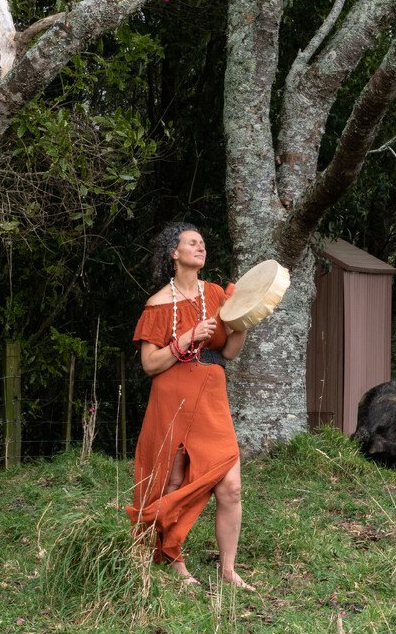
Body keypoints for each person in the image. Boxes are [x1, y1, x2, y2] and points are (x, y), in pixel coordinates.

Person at [126, 222, 254, 590]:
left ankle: (228, 571)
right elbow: (149, 364)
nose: (201, 247)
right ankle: (173, 559)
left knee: (230, 487)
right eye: (192, 243)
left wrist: (244, 321)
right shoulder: (157, 304)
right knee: (174, 480)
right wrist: (186, 338)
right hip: (174, 397)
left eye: (203, 243)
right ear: (174, 253)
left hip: (212, 396)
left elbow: (229, 351)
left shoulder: (214, 294)